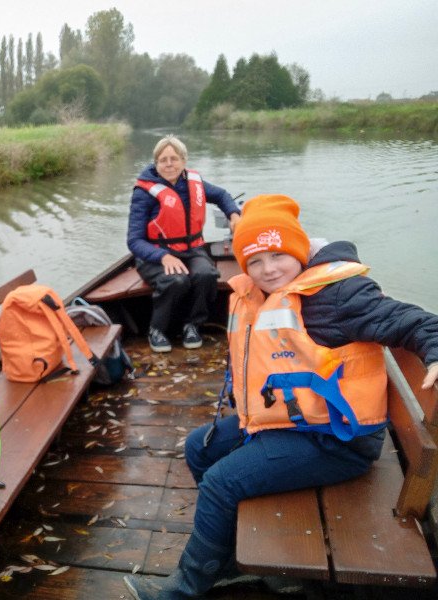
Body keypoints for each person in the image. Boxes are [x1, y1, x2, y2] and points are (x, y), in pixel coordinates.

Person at [124, 194, 438, 599]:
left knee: (221, 482)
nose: (268, 270)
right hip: (291, 422)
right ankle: (227, 552)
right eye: (255, 261)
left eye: (278, 255)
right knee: (197, 448)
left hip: (338, 439)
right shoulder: (262, 294)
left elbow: (412, 321)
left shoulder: (339, 296)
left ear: (298, 251)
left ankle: (184, 591)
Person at [128, 134, 241, 353]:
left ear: (183, 161)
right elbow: (134, 240)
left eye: (174, 158)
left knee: (206, 275)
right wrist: (163, 257)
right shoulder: (144, 192)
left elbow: (222, 195)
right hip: (155, 254)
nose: (169, 164)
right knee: (176, 280)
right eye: (163, 159)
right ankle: (157, 329)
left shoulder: (193, 183)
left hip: (191, 248)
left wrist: (234, 214)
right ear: (156, 163)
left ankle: (192, 325)